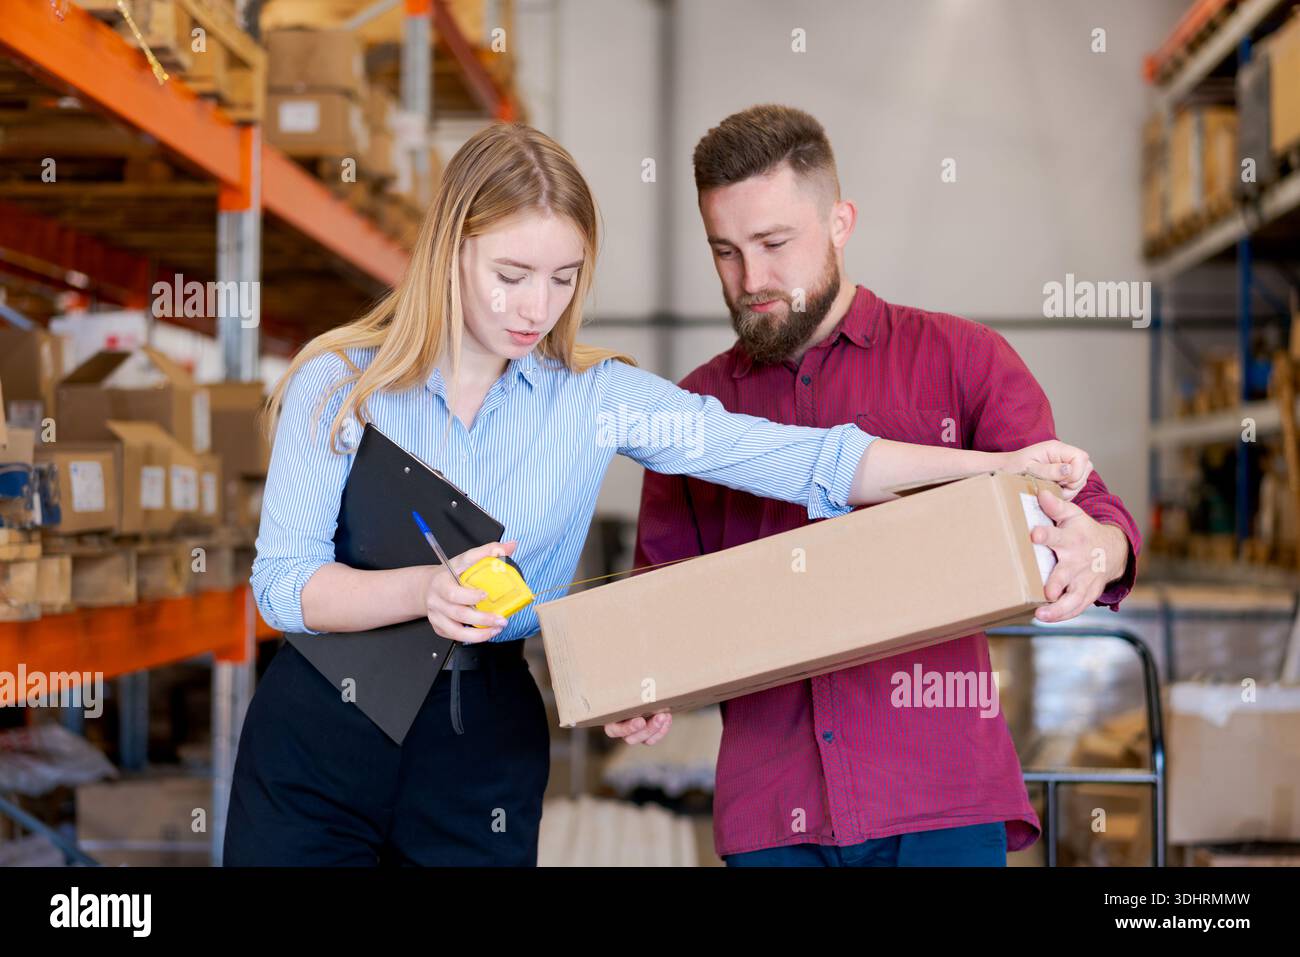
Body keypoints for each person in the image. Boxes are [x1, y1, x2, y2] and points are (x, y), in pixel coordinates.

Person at [224, 120, 1094, 867]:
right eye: (511, 274)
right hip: (323, 729)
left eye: (564, 277)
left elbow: (812, 459)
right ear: (451, 248)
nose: (536, 306)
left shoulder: (599, 397)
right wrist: (424, 590)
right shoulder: (342, 381)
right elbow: (283, 586)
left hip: (479, 736)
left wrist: (991, 467)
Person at [613, 104, 1142, 868]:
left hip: (938, 799)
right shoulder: (695, 412)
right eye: (725, 251)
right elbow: (657, 600)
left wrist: (1101, 548)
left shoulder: (960, 358)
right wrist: (644, 680)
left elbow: (1086, 508)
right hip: (774, 817)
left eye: (774, 244)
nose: (751, 280)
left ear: (840, 223)